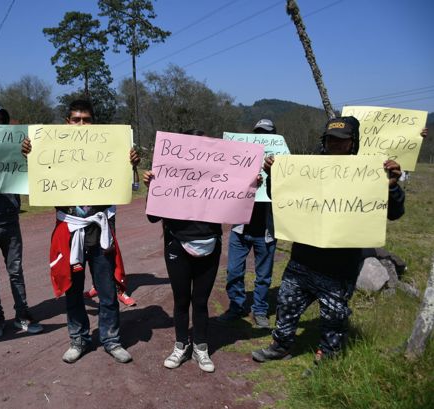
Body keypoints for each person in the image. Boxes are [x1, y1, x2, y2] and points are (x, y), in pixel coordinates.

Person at [251, 116, 405, 364]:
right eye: (331, 139)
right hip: (302, 259)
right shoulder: (307, 167)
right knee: (286, 305)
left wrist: (392, 187)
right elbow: (278, 198)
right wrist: (273, 175)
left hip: (339, 267)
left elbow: (395, 213)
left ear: (353, 143)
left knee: (334, 315)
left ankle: (328, 358)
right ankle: (281, 345)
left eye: (342, 140)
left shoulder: (370, 172)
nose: (335, 144)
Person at [21, 99, 139, 364]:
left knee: (107, 290)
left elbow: (129, 186)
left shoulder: (110, 145)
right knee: (73, 291)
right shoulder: (50, 146)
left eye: (86, 119)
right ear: (67, 121)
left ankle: (111, 339)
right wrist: (30, 154)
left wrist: (131, 163)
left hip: (100, 229)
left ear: (93, 122)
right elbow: (36, 180)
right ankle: (79, 339)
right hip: (69, 230)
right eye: (76, 119)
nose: (81, 124)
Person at [143, 129, 230, 373]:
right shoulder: (170, 176)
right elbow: (152, 217)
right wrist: (153, 188)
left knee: (200, 301)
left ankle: (201, 347)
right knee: (181, 300)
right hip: (177, 245)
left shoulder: (219, 178)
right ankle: (181, 344)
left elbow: (237, 205)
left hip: (210, 245)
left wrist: (248, 185)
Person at [0, 102, 43, 338]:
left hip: (11, 220)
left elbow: (31, 172)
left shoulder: (17, 146)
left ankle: (22, 314)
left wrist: (28, 154)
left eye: (2, 120)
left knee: (15, 271)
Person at [216, 119, 278, 329]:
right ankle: (237, 306)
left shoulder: (281, 163)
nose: (262, 136)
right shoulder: (240, 161)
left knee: (263, 276)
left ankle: (260, 310)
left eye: (266, 133)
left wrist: (272, 176)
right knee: (233, 271)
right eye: (258, 133)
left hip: (266, 231)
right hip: (241, 228)